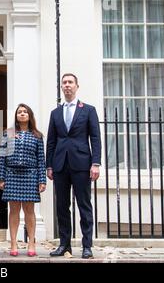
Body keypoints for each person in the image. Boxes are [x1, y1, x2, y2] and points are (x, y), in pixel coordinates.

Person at [46, 73, 101, 259]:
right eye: (64, 83)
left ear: (77, 86)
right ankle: (64, 245)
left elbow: (95, 138)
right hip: (60, 165)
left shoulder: (88, 110)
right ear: (61, 87)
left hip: (82, 164)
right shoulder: (55, 113)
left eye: (70, 82)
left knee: (84, 206)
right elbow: (51, 141)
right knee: (62, 206)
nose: (67, 85)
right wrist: (49, 165)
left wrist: (95, 163)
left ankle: (87, 246)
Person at [0, 103, 46, 257]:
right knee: (14, 210)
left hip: (30, 176)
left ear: (30, 115)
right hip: (12, 175)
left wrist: (42, 180)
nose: (22, 114)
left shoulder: (37, 136)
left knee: (29, 210)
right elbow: (1, 157)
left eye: (25, 112)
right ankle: (13, 243)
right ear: (16, 116)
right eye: (20, 112)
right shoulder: (7, 133)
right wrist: (1, 177)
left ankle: (31, 242)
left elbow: (41, 160)